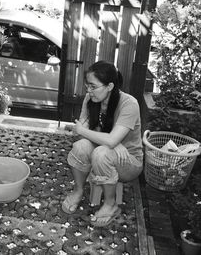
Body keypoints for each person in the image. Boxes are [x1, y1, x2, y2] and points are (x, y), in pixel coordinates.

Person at [61, 60, 143, 227]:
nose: (89, 91)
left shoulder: (129, 104)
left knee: (102, 153)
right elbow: (92, 137)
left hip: (129, 161)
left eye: (93, 87)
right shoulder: (90, 99)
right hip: (105, 149)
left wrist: (110, 141)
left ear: (110, 86)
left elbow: (83, 130)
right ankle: (78, 190)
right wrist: (110, 142)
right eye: (87, 86)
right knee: (80, 147)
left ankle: (111, 204)